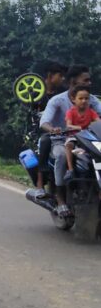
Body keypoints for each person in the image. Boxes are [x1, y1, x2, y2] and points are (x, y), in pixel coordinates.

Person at [39, 65, 101, 216]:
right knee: (61, 156)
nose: (89, 83)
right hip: (61, 140)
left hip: (88, 140)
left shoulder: (92, 100)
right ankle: (60, 199)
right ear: (73, 81)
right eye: (85, 80)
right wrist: (53, 129)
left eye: (89, 80)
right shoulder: (57, 100)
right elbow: (44, 122)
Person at [32, 61, 68, 197]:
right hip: (44, 129)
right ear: (50, 76)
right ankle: (40, 183)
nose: (63, 79)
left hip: (64, 128)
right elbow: (31, 111)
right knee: (44, 141)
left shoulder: (63, 93)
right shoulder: (36, 94)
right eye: (60, 75)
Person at [63, 85, 99, 181]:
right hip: (74, 136)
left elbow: (98, 122)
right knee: (69, 144)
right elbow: (69, 125)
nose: (84, 101)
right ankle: (70, 169)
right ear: (73, 99)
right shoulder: (70, 112)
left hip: (88, 137)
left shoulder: (91, 112)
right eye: (81, 98)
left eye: (86, 98)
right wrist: (81, 128)